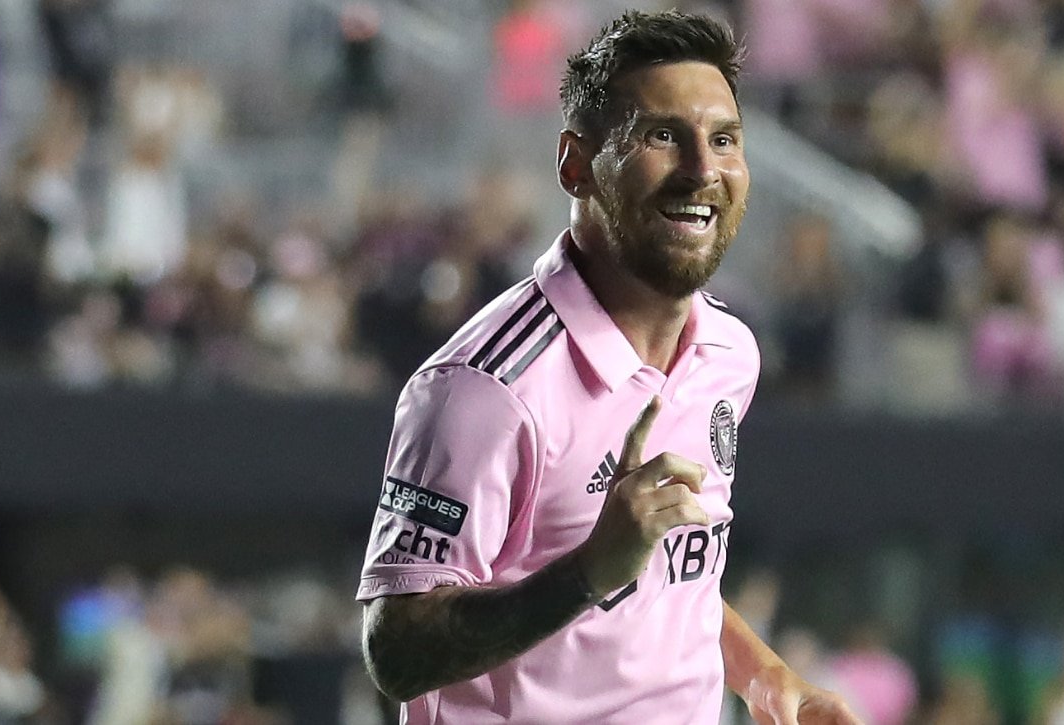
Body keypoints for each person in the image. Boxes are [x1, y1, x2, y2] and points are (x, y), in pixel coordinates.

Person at [356, 10, 862, 724]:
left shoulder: (728, 354)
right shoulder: (484, 390)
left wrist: (767, 677)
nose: (702, 168)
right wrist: (590, 571)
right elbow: (397, 652)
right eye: (662, 135)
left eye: (723, 139)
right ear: (575, 164)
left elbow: (668, 578)